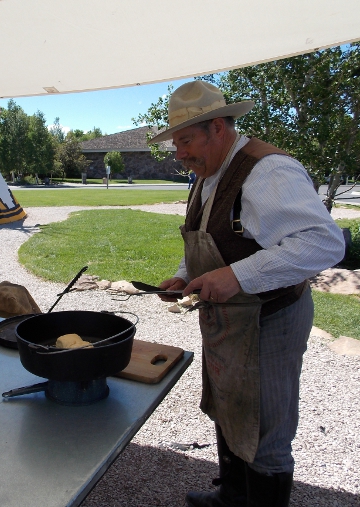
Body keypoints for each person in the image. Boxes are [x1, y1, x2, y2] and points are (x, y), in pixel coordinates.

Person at [148, 81, 345, 507]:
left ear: (217, 127)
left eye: (185, 140)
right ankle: (233, 497)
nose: (178, 153)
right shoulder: (209, 172)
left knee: (265, 430)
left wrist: (237, 277)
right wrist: (185, 276)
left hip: (268, 320)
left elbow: (323, 243)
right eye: (176, 143)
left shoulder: (268, 170)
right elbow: (207, 236)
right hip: (228, 321)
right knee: (228, 407)